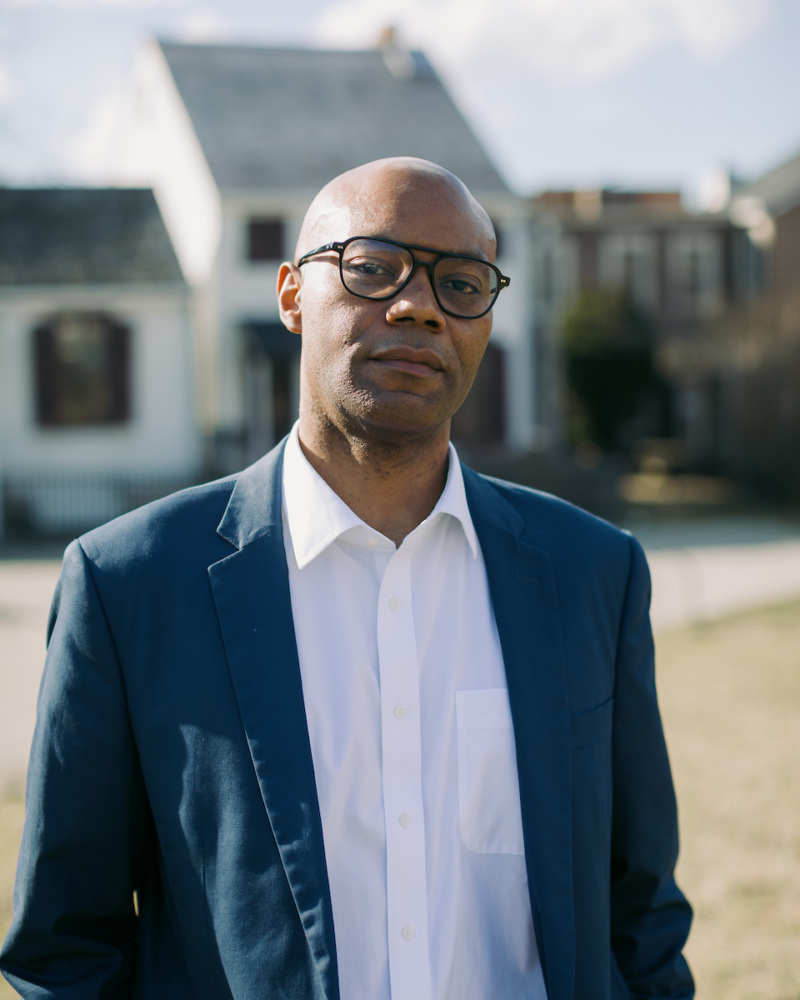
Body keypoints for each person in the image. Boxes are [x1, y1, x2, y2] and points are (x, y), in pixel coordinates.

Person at [1, 157, 693, 1000]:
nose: (419, 306)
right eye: (372, 267)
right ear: (292, 295)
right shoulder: (129, 585)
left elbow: (642, 918)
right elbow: (68, 947)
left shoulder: (595, 572)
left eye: (463, 284)